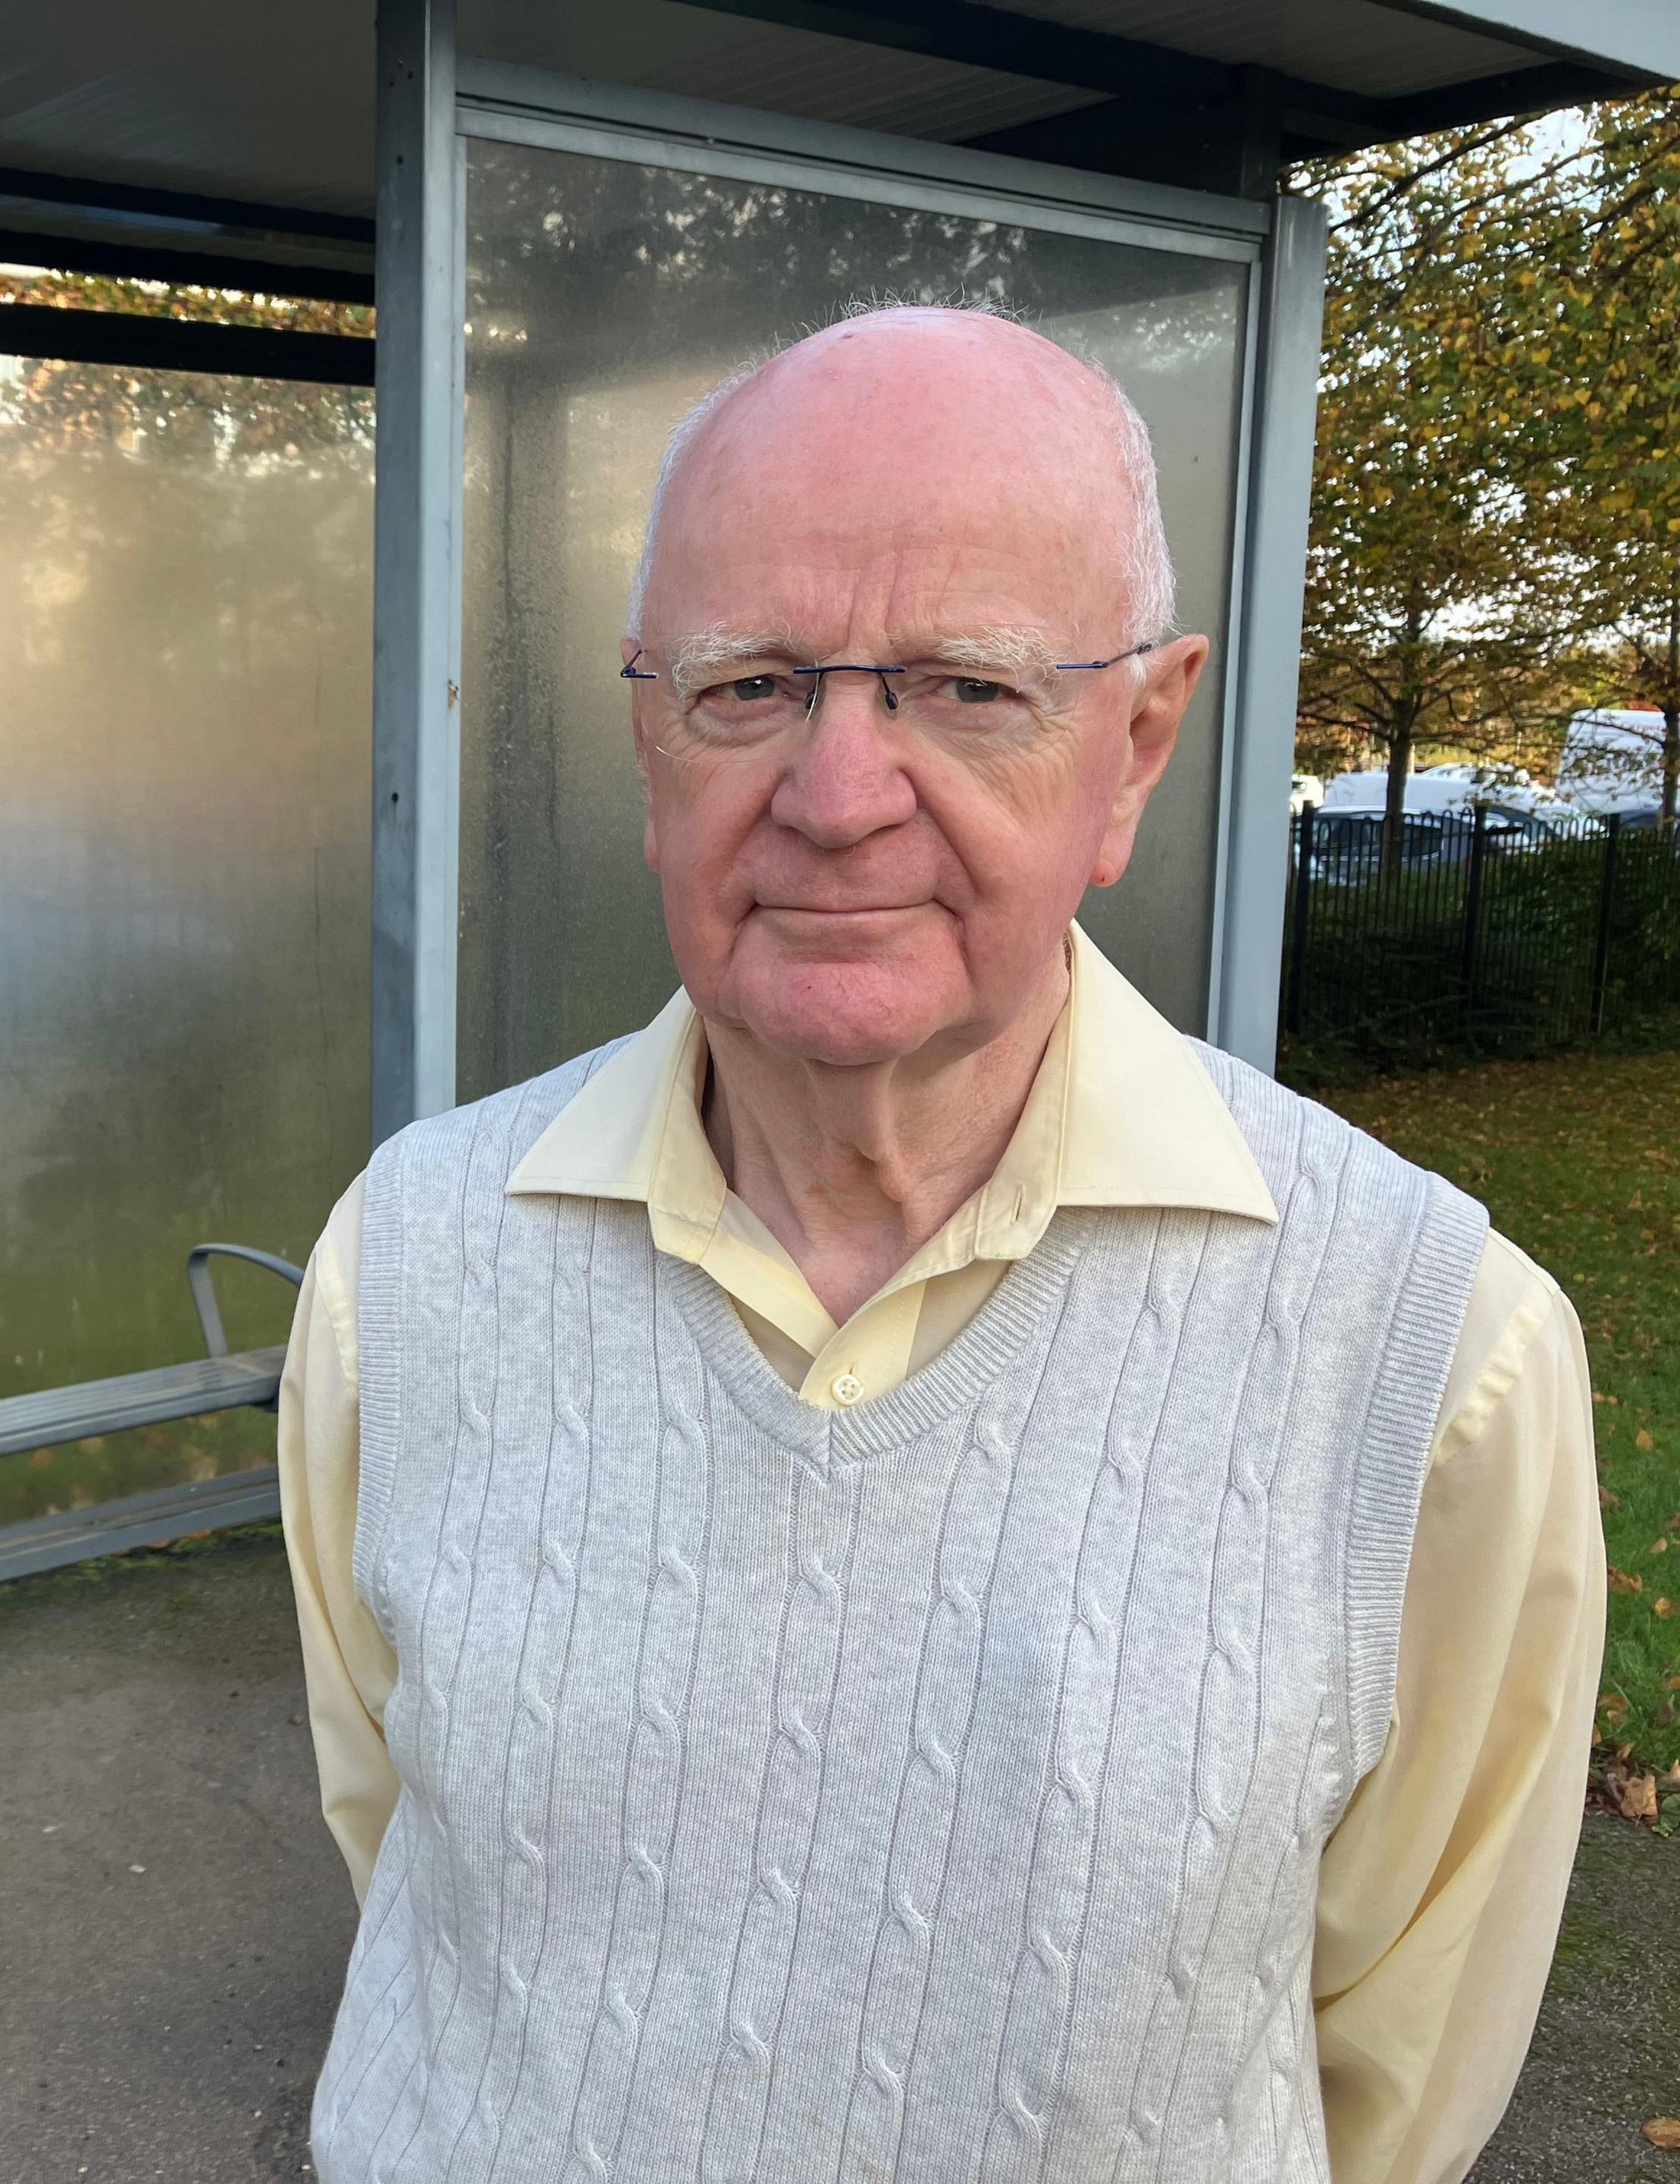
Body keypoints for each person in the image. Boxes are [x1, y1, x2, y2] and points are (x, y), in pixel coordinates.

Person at [278, 307, 1603, 2184]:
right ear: (648, 737)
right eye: (748, 686)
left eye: (968, 687)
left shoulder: (1430, 1357)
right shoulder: (406, 1264)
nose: (837, 796)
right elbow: (414, 1860)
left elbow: (1393, 2074)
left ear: (1137, 746)